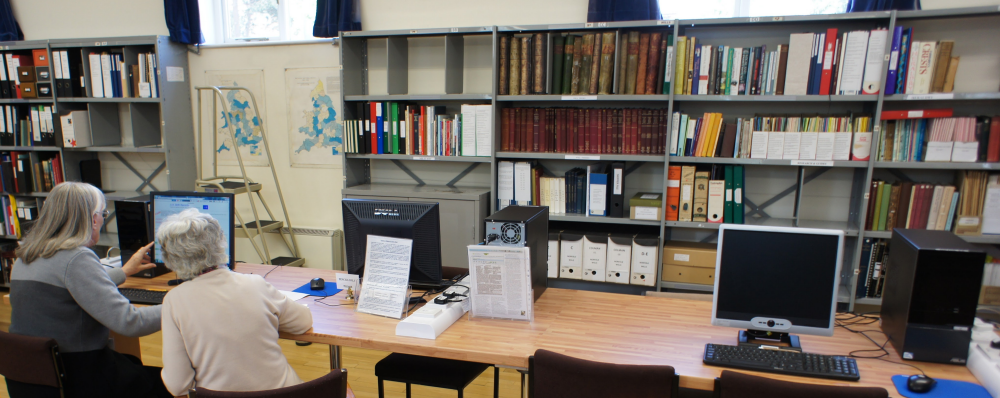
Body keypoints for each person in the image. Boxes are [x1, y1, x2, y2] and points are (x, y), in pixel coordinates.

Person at [8, 182, 170, 398]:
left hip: (34, 378)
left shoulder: (28, 254)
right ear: (94, 219)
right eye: (103, 213)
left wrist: (124, 272)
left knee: (131, 364)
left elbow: (73, 287)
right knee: (165, 383)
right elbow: (130, 322)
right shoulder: (76, 258)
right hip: (79, 376)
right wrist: (179, 303)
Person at [158, 208, 312, 395]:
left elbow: (178, 386)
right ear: (220, 243)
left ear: (169, 257)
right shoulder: (255, 283)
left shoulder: (174, 301)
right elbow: (303, 322)